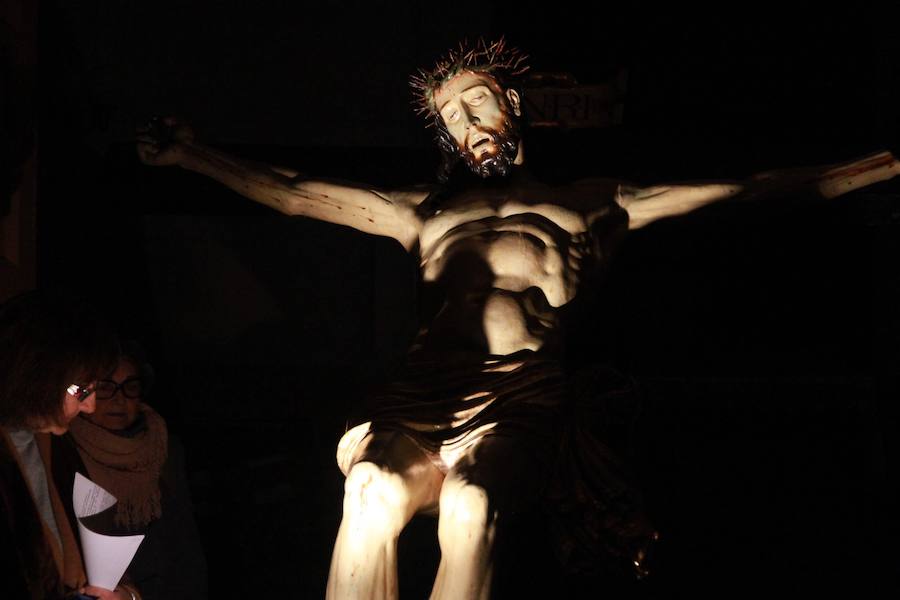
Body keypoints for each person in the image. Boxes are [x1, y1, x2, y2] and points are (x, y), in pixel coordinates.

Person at [136, 38, 900, 599]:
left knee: (470, 503)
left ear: (512, 105)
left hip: (518, 399)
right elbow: (298, 190)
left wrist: (880, 165)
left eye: (478, 102)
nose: (468, 122)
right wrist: (194, 159)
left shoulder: (595, 201)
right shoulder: (424, 210)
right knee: (369, 487)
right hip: (419, 394)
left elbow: (749, 189)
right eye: (452, 117)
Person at [0, 290, 142, 600]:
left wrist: (126, 595)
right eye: (81, 390)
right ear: (36, 374)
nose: (91, 406)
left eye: (93, 389)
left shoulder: (55, 444)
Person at [67, 342, 208, 600]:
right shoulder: (68, 452)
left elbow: (184, 533)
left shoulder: (162, 444)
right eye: (106, 387)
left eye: (130, 386)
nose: (119, 399)